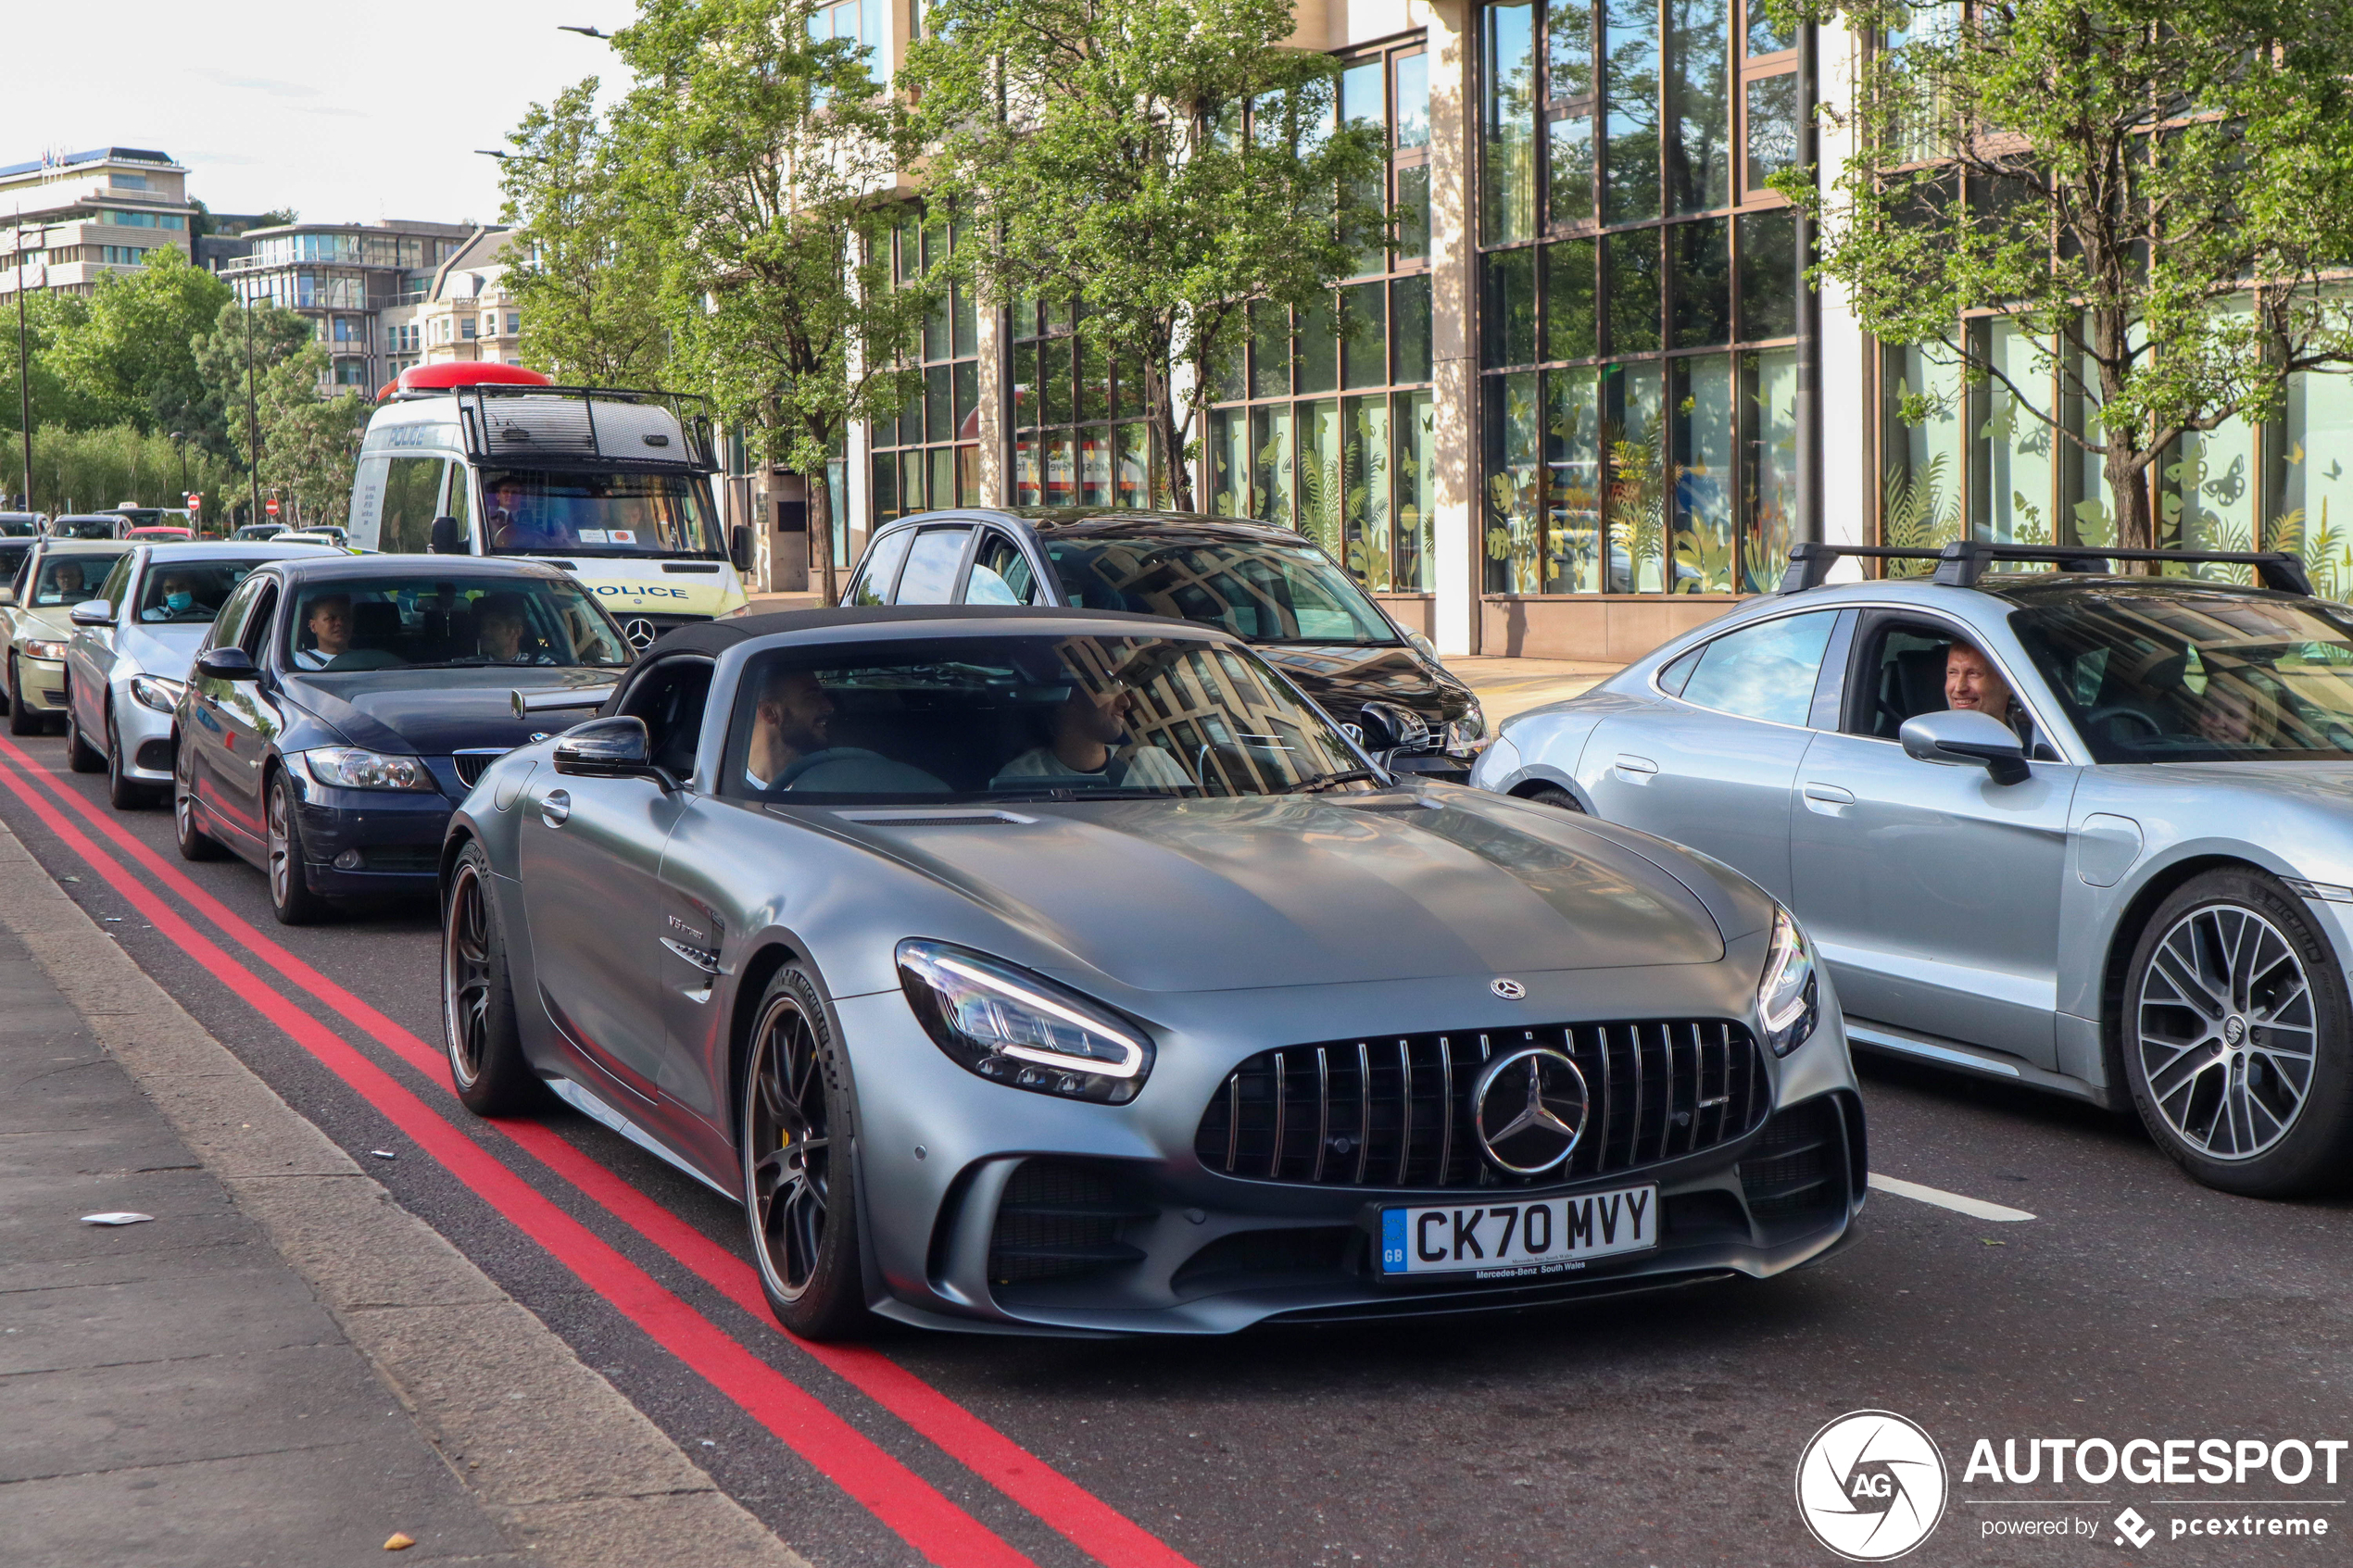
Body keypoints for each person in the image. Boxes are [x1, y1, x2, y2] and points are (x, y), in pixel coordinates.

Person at [742, 665, 942, 793]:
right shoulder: (723, 789)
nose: (829, 706)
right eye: (812, 696)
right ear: (769, 712)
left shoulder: (847, 785)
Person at [991, 678, 1191, 790]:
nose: (1125, 703)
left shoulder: (1154, 762)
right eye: (1108, 689)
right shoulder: (1021, 779)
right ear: (1069, 699)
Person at [1944, 638, 2017, 731]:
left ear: (2009, 684)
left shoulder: (2036, 739)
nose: (1959, 688)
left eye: (1973, 674)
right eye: (1953, 673)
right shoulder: (1928, 741)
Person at [472, 593, 549, 664]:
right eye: (483, 626)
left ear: (517, 632)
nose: (485, 631)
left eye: (494, 625)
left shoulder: (542, 664)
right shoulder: (470, 666)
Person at [295, 594, 355, 669]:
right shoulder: (298, 662)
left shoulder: (366, 660)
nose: (340, 623)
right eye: (331, 618)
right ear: (313, 626)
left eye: (345, 618)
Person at [142, 570, 208, 622]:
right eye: (169, 589)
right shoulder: (148, 617)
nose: (176, 592)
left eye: (181, 587)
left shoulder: (207, 614)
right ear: (164, 592)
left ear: (193, 589)